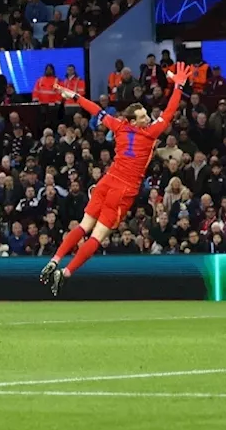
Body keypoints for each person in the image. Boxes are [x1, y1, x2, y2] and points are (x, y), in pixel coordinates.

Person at [40, 62, 192, 295]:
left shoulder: (119, 126)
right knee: (98, 236)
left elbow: (94, 110)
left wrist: (75, 97)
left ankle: (54, 260)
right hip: (123, 190)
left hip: (106, 181)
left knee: (83, 226)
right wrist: (178, 86)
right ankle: (65, 272)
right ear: (133, 121)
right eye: (142, 117)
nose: (147, 119)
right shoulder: (150, 133)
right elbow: (170, 111)